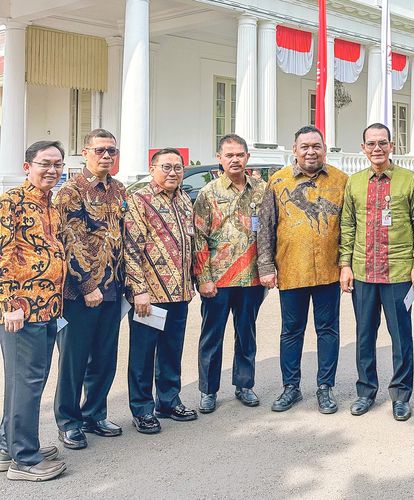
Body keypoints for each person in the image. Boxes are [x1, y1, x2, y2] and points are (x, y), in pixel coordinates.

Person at [340, 123, 414, 421]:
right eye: (371, 143)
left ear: (392, 145)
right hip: (364, 272)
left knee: (400, 336)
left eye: (382, 143)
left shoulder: (409, 180)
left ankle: (401, 395)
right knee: (364, 336)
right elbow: (348, 226)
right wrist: (345, 265)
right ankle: (366, 392)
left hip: (399, 272)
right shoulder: (354, 183)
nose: (377, 148)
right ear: (363, 148)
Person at [257, 125, 348, 413]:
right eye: (305, 146)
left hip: (328, 271)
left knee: (328, 330)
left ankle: (325, 387)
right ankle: (291, 387)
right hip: (291, 270)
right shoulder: (278, 181)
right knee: (291, 331)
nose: (311, 151)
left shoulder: (340, 180)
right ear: (294, 149)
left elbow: (348, 228)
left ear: (324, 148)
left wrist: (346, 265)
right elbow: (265, 227)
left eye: (316, 146)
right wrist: (266, 265)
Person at [54, 129, 126, 451]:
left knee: (105, 358)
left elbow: (125, 237)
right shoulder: (71, 192)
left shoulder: (120, 190)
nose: (106, 155)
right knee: (74, 359)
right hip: (81, 293)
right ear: (85, 152)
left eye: (111, 150)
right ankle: (69, 422)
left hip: (113, 289)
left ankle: (94, 413)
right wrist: (87, 285)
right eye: (100, 150)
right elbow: (71, 241)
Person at [0, 141, 67, 481]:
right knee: (26, 380)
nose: (52, 170)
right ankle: (24, 460)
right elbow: (3, 254)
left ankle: (9, 445)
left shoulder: (50, 204)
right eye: (45, 163)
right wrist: (10, 304)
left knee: (28, 380)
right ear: (28, 166)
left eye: (57, 164)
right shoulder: (11, 201)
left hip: (48, 307)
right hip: (21, 310)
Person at [124, 148, 198, 434]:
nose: (172, 173)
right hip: (151, 296)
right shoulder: (140, 199)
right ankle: (142, 408)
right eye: (166, 167)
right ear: (152, 168)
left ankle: (168, 400)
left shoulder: (183, 199)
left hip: (179, 292)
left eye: (178, 168)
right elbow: (131, 247)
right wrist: (139, 290)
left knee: (171, 350)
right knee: (143, 353)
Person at [193, 134, 267, 413]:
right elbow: (198, 238)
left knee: (246, 333)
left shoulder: (261, 189)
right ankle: (208, 390)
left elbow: (268, 231)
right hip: (218, 280)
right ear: (219, 158)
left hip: (252, 277)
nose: (234, 160)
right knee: (212, 336)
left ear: (247, 157)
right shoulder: (208, 193)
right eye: (229, 155)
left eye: (240, 155)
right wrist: (204, 278)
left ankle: (244, 384)